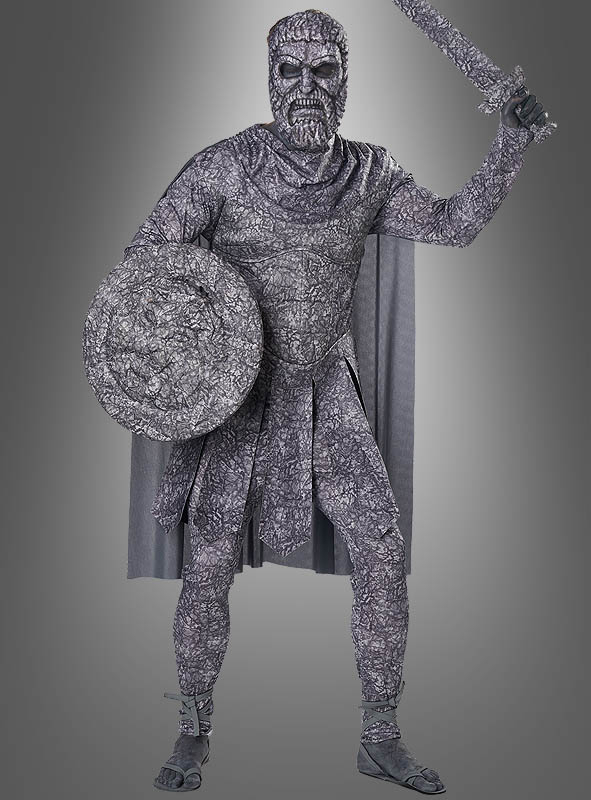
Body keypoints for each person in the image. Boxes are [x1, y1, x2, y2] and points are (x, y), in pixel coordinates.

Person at [118, 9, 546, 793]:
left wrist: (509, 144)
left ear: (346, 80)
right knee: (207, 565)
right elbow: (146, 262)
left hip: (325, 391)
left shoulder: (370, 174)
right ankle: (192, 728)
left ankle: (379, 737)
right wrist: (200, 346)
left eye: (324, 70)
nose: (307, 87)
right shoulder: (222, 169)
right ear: (269, 77)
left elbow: (453, 225)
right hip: (240, 396)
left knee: (382, 550)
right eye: (290, 69)